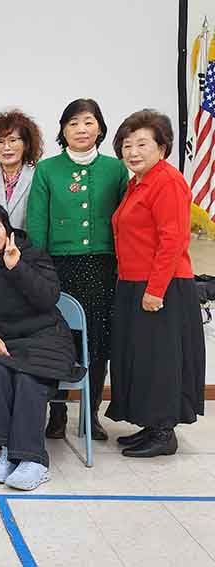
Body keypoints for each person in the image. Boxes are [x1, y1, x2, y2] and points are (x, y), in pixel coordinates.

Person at [26, 99, 129, 441]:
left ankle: (91, 415)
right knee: (60, 340)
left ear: (100, 127)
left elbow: (125, 221)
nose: (81, 129)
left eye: (88, 122)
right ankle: (56, 414)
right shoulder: (47, 169)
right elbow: (37, 223)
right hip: (59, 266)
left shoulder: (116, 169)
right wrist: (40, 268)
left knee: (98, 341)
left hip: (103, 266)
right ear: (63, 130)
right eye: (73, 123)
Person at [0, 203, 84, 491]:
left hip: (48, 339)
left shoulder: (31, 255)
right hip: (6, 342)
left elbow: (48, 298)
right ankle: (8, 453)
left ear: (7, 229)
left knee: (29, 377)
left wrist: (16, 267)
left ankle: (34, 461)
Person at [106, 110, 205, 458]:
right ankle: (151, 425)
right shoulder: (137, 183)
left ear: (162, 148)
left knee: (161, 360)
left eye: (142, 144)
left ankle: (164, 432)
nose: (132, 152)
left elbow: (173, 240)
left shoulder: (168, 181)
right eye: (126, 145)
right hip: (133, 282)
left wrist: (155, 289)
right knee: (143, 358)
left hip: (162, 286)